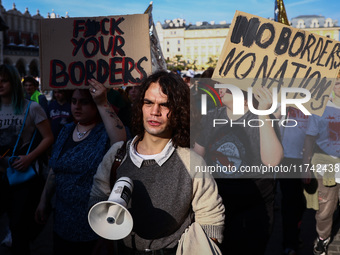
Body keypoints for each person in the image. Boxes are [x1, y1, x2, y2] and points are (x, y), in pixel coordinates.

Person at [89, 70, 225, 254]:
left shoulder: (191, 161)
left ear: (178, 111)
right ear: (140, 106)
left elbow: (211, 218)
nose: (155, 112)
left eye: (165, 105)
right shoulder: (117, 155)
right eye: (148, 103)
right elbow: (97, 198)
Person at [35, 80, 126, 255]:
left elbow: (120, 141)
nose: (77, 107)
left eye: (84, 102)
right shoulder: (66, 130)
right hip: (62, 221)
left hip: (92, 225)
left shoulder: (104, 134)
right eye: (74, 101)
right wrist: (43, 200)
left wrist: (102, 102)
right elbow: (55, 169)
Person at [194, 86, 283, 254]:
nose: (219, 88)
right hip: (219, 202)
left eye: (225, 86)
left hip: (255, 204)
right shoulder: (212, 117)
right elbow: (197, 159)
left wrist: (263, 112)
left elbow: (272, 161)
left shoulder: (263, 116)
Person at [0, 64, 54, 255]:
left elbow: (48, 137)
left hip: (21, 175)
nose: (0, 84)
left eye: (4, 80)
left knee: (18, 228)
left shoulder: (32, 107)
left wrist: (29, 157)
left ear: (14, 82)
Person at [302, 79, 340, 255]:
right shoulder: (320, 110)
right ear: (332, 85)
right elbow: (309, 139)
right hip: (326, 165)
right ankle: (322, 239)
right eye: (338, 82)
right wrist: (305, 166)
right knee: (325, 210)